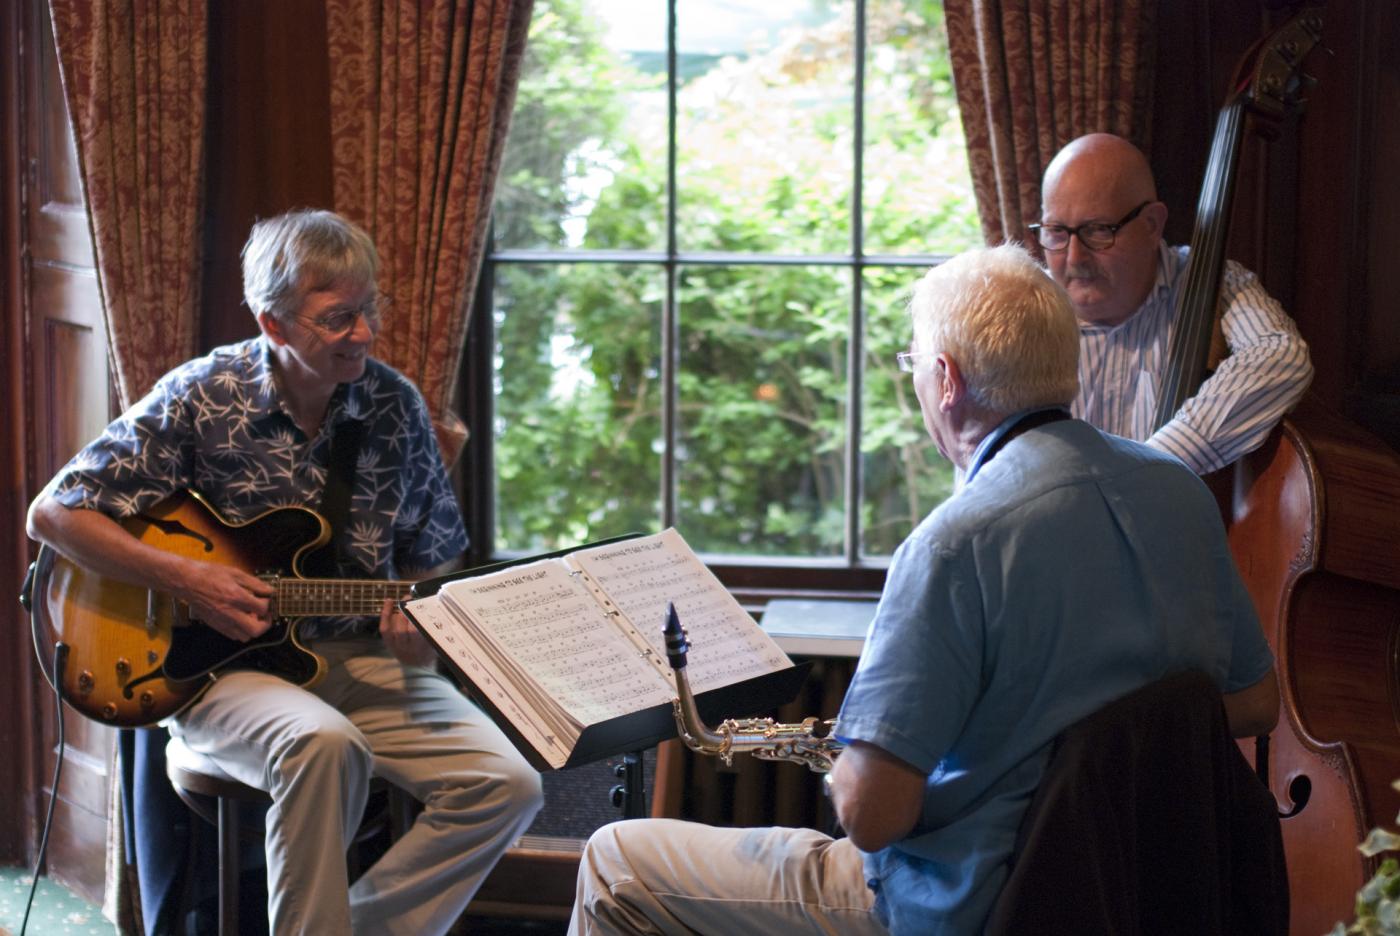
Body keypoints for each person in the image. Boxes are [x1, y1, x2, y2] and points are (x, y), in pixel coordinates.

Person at [568, 244, 1280, 935]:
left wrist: (854, 767)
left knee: (615, 860)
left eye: (913, 364)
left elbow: (872, 817)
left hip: (976, 904)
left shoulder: (954, 543)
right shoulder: (1177, 491)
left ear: (946, 379)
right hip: (1141, 896)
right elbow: (1254, 702)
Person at [26, 209, 543, 934]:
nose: (363, 333)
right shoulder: (203, 395)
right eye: (337, 318)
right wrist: (187, 579)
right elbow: (54, 514)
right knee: (323, 743)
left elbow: (433, 561)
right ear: (273, 323)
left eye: (369, 310)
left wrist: (423, 629)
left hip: (360, 656)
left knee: (508, 785)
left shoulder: (392, 406)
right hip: (218, 671)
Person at [1034, 132, 1313, 475]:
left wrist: (1153, 468)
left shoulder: (1214, 283)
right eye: (1056, 232)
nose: (1075, 257)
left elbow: (1281, 354)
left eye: (1098, 230)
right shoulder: (1024, 305)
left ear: (1152, 225)